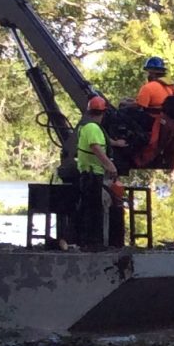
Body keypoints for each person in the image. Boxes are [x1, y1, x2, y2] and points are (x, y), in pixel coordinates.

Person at [73, 96, 124, 246]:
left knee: (91, 208)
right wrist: (111, 166)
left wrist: (116, 143)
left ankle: (91, 242)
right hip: (91, 174)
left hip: (92, 173)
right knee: (93, 210)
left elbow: (101, 141)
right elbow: (96, 148)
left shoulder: (90, 127)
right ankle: (93, 243)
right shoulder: (92, 128)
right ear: (104, 112)